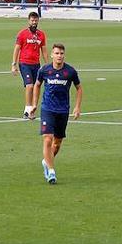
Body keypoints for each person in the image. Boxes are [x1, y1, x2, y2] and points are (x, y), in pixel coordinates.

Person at [32, 43, 82, 185]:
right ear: (52, 55)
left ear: (64, 55)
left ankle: (46, 161)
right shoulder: (44, 70)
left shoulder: (70, 71)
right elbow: (37, 85)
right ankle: (51, 171)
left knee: (57, 143)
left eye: (61, 53)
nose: (59, 56)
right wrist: (34, 104)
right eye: (57, 53)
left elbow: (79, 88)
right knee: (47, 139)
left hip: (63, 110)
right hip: (47, 109)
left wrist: (77, 107)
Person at [12, 11, 46, 119]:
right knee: (29, 85)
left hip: (36, 64)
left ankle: (33, 109)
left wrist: (48, 65)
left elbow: (44, 50)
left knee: (36, 86)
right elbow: (17, 49)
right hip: (24, 63)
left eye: (36, 20)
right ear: (28, 21)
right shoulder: (22, 34)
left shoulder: (41, 35)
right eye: (32, 20)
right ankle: (27, 110)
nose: (34, 23)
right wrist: (14, 64)